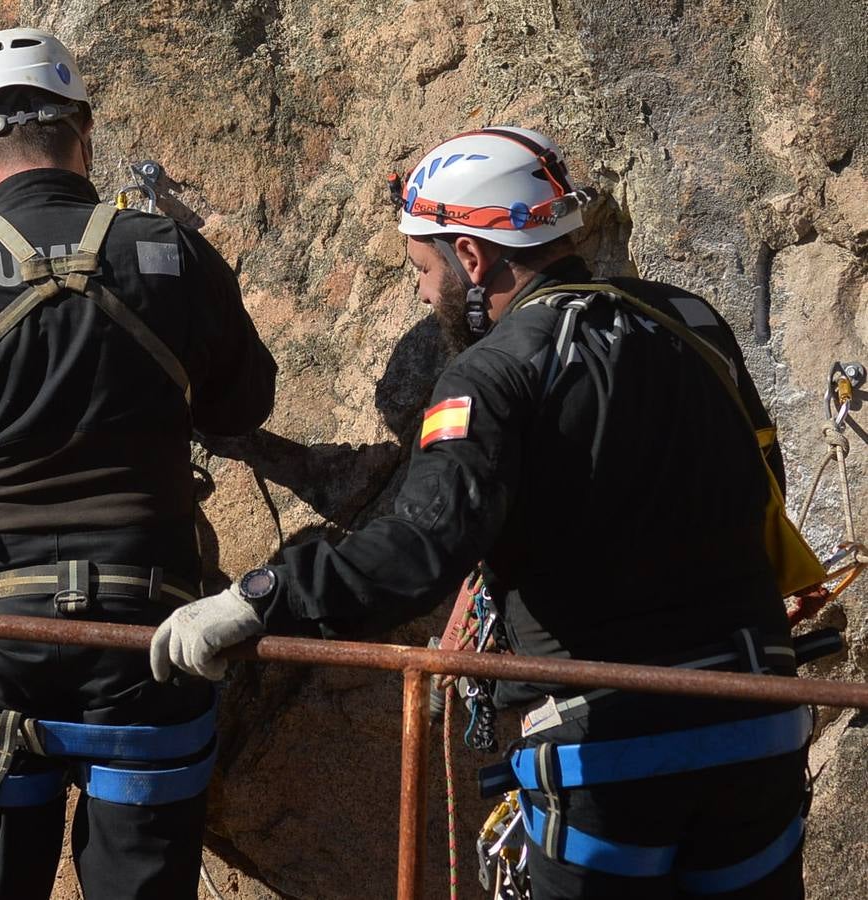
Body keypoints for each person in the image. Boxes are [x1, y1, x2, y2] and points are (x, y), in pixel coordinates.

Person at [151, 127, 814, 899]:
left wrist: (261, 599)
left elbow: (418, 550)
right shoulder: (691, 323)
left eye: (423, 269)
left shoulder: (495, 372)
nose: (423, 292)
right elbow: (765, 478)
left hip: (613, 749)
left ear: (472, 257)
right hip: (759, 719)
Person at [0, 26, 276, 900]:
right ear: (84, 135)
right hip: (149, 642)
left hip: (6, 642)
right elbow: (244, 407)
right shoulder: (174, 256)